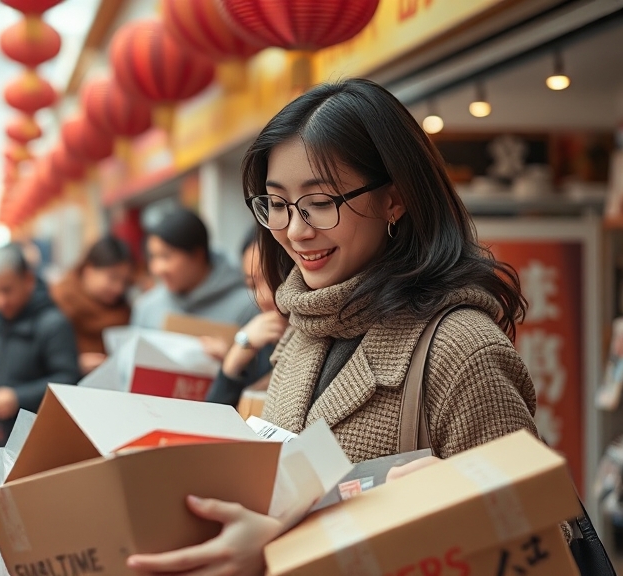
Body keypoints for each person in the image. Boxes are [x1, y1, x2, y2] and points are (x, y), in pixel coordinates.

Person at [127, 79, 539, 576]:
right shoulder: (303, 331)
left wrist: (284, 553)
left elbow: (535, 542)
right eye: (276, 204)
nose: (296, 230)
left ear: (395, 199)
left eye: (320, 201)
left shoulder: (461, 350)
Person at [0, 243, 81, 488]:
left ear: (28, 280)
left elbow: (69, 378)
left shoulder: (54, 324)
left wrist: (17, 397)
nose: (1, 300)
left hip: (37, 449)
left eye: (7, 290)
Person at [131, 209, 258, 330]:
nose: (156, 269)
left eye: (166, 256)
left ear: (197, 254)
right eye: (152, 256)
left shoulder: (248, 306)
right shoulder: (147, 308)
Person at [205, 229, 288, 406]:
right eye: (252, 285)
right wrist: (236, 356)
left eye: (273, 277)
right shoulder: (263, 340)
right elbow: (214, 416)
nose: (262, 298)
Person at [50, 236, 133, 375]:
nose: (119, 288)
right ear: (88, 270)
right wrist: (72, 363)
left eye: (124, 281)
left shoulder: (124, 311)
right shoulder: (59, 301)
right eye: (112, 277)